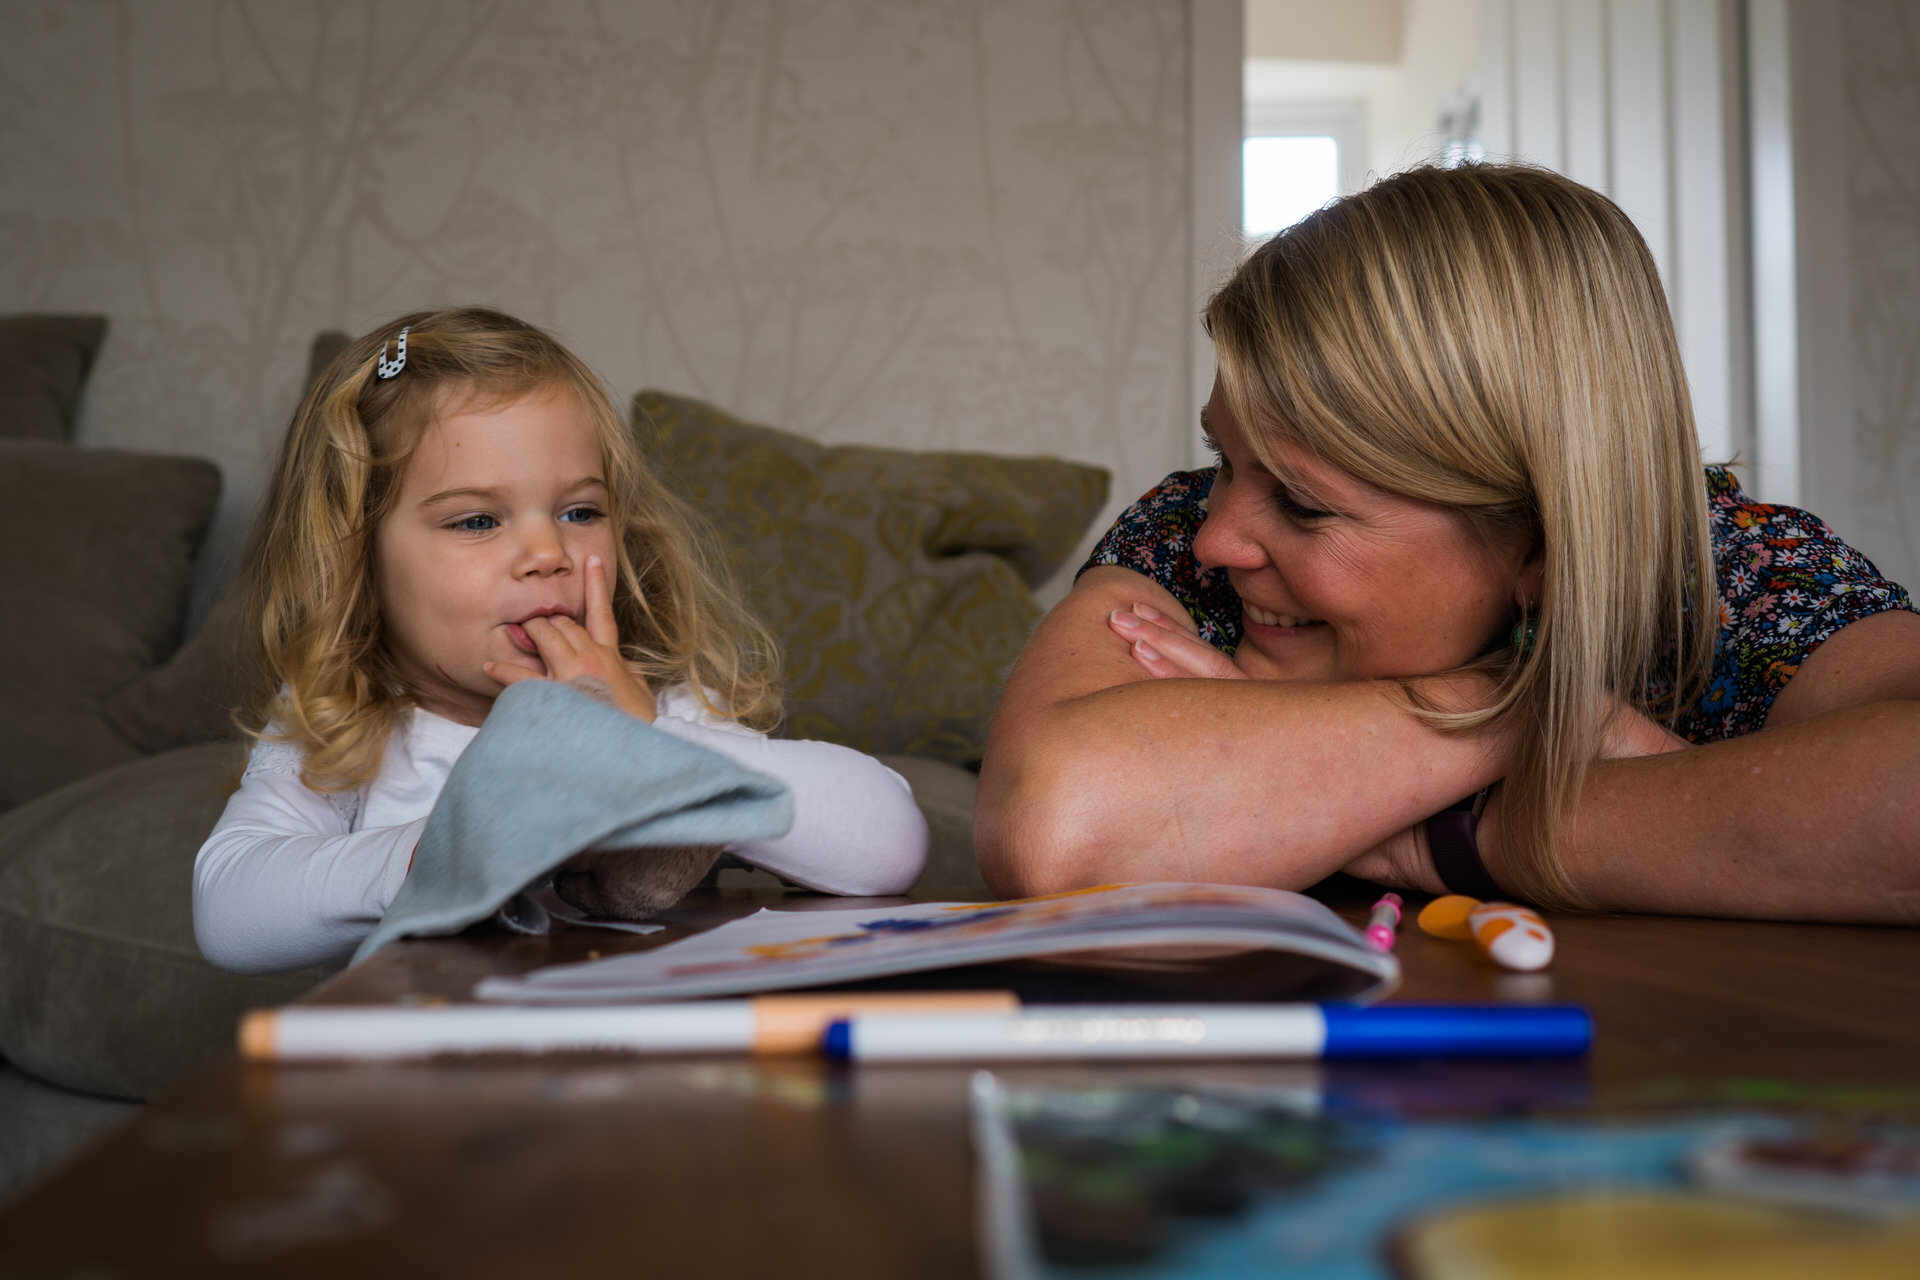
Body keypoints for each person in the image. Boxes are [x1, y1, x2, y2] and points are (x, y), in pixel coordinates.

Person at [977, 163, 1920, 924]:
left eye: (1304, 505)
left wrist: (1439, 836)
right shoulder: (1180, 537)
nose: (1221, 538)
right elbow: (1054, 825)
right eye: (1223, 458)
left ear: (1541, 545)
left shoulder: (1738, 571)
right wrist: (1523, 711)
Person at [196, 307, 926, 974]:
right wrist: (443, 854)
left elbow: (890, 845)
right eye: (478, 521)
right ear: (357, 562)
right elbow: (229, 912)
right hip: (430, 1096)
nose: (550, 552)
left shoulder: (657, 702)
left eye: (579, 511)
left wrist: (646, 743)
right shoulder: (341, 719)